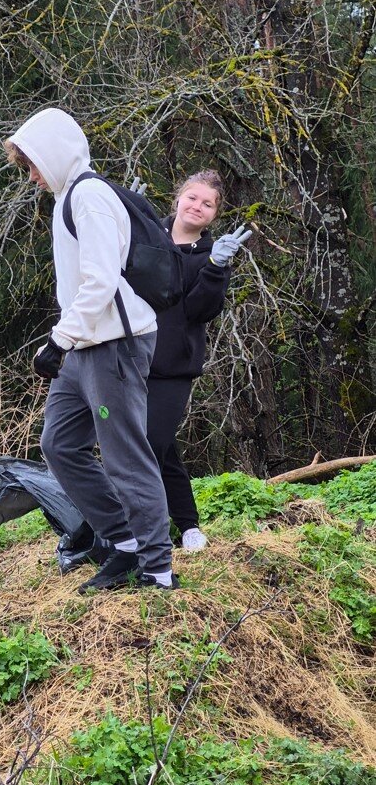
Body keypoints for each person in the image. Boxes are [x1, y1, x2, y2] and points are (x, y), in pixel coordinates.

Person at [4, 107, 177, 592]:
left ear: (55, 153)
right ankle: (124, 542)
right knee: (58, 444)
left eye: (33, 164)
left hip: (114, 345)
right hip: (82, 345)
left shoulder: (89, 196)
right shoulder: (67, 198)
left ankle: (158, 569)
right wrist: (65, 340)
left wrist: (58, 340)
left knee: (126, 456)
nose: (32, 177)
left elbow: (101, 280)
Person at [146, 170, 251, 552]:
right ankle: (188, 524)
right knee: (160, 448)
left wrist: (216, 268)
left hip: (173, 366)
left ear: (214, 214)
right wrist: (118, 217)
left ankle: (142, 530)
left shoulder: (210, 255)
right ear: (178, 198)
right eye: (192, 197)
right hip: (128, 357)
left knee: (151, 443)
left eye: (208, 204)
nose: (197, 207)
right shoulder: (147, 233)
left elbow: (199, 311)